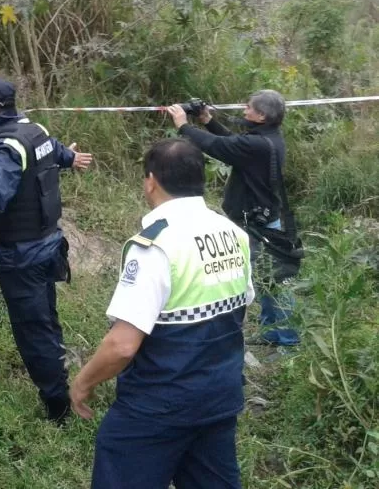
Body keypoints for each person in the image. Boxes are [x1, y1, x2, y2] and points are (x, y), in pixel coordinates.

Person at [70, 138, 254, 489]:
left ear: (151, 181)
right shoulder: (234, 233)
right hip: (220, 395)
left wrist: (83, 382)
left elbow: (122, 345)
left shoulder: (155, 245)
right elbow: (238, 308)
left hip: (159, 405)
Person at [0, 78, 93, 423]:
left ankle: (59, 407)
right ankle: (60, 377)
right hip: (48, 244)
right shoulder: (33, 130)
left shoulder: (3, 149)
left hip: (22, 255)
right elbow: (53, 150)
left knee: (33, 330)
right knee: (46, 321)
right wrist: (71, 158)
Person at [167, 90, 300, 346]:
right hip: (260, 220)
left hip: (260, 225)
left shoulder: (258, 144)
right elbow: (232, 144)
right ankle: (272, 334)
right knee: (266, 280)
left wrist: (184, 126)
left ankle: (288, 342)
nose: (243, 111)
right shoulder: (265, 138)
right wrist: (208, 121)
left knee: (275, 283)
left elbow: (219, 147)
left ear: (261, 115)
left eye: (248, 107)